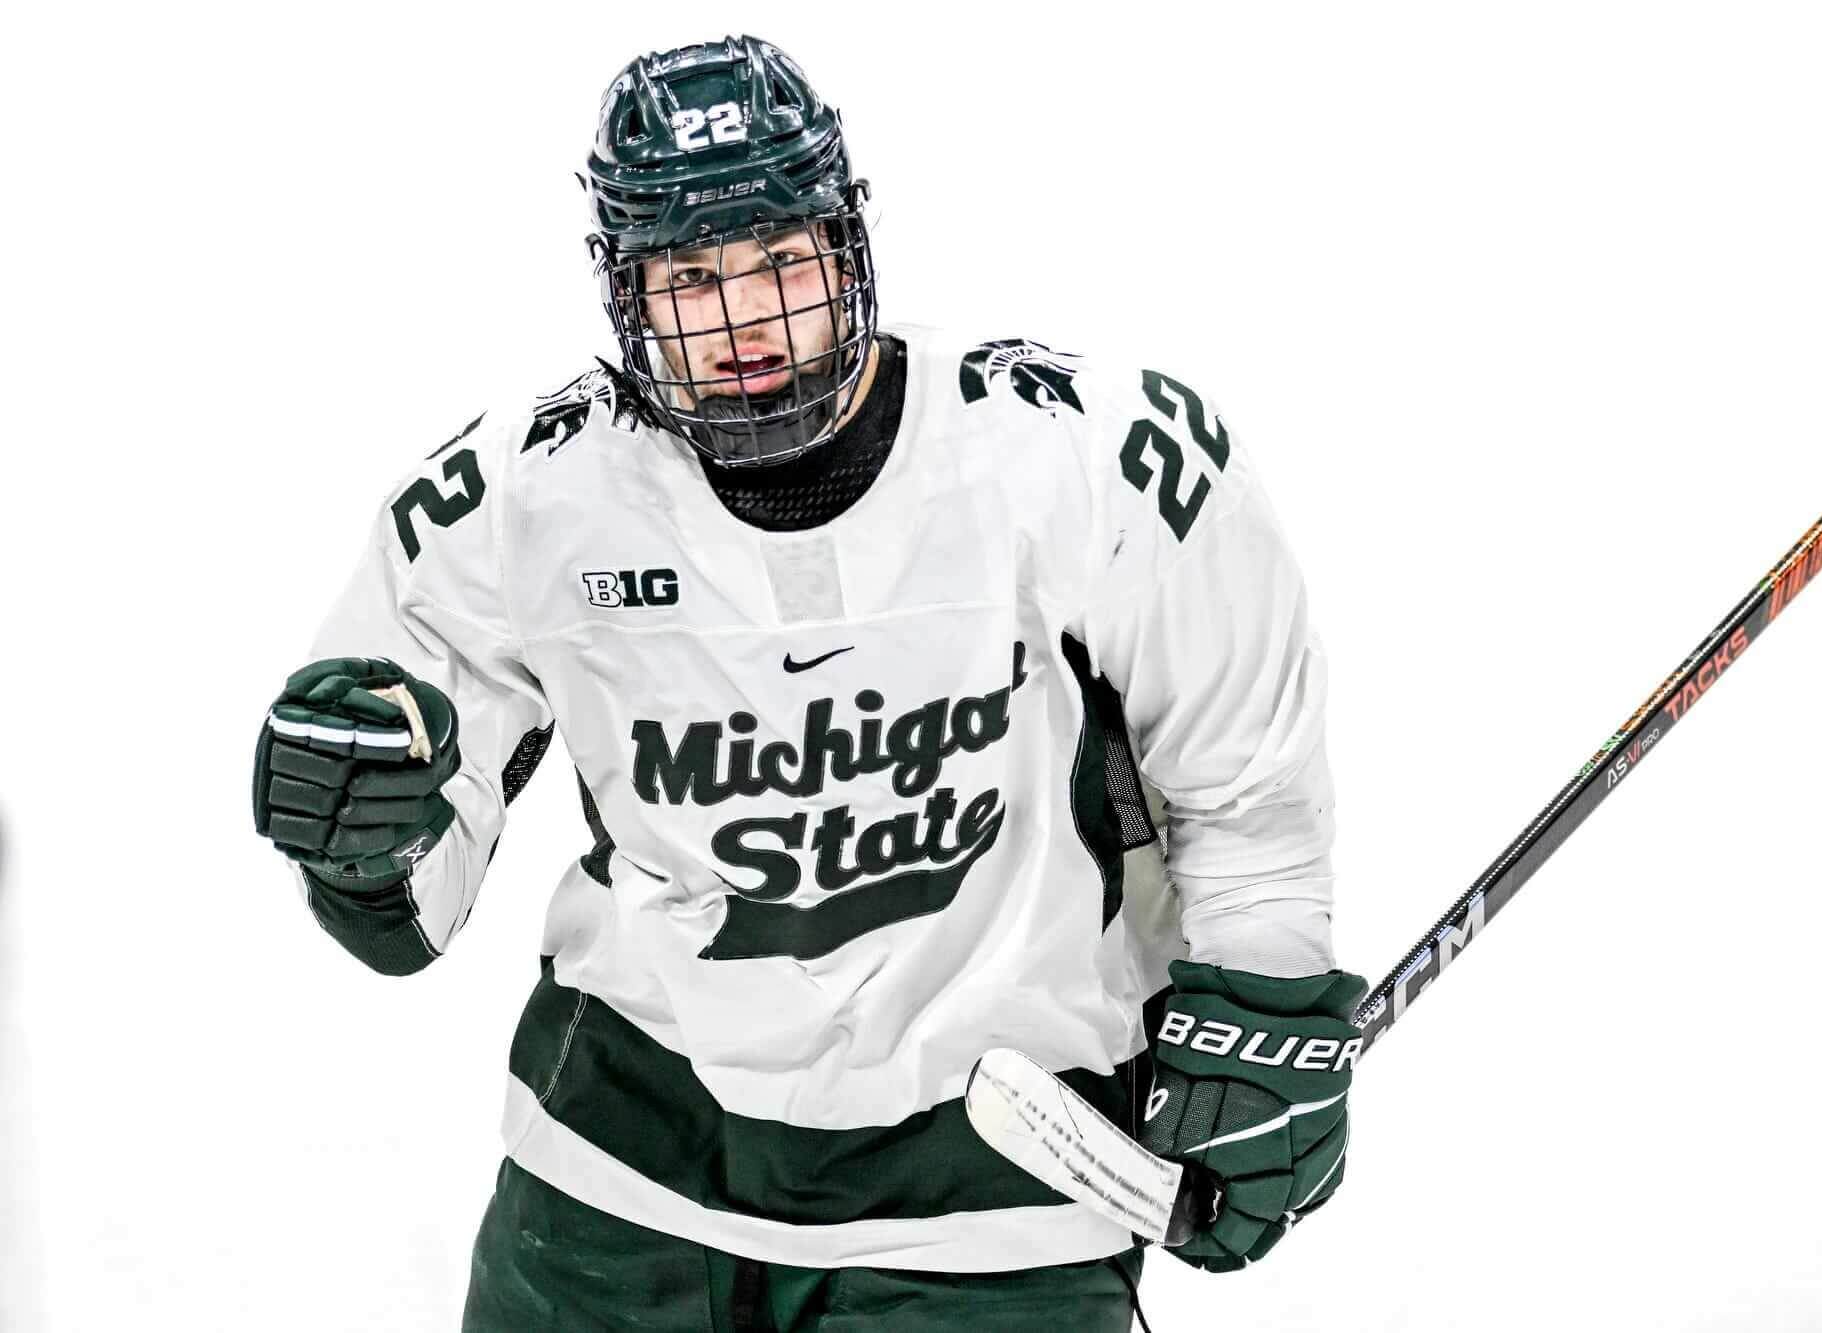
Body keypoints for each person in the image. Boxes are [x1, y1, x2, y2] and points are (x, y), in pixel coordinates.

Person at [251, 34, 1367, 1332]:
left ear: (848, 246)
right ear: (625, 292)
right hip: (621, 1174)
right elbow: (405, 895)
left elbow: (1245, 799)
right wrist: (359, 837)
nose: (744, 322)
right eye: (690, 279)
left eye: (781, 259)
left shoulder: (1093, 465)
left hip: (994, 1192)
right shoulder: (519, 502)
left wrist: (1261, 1003)